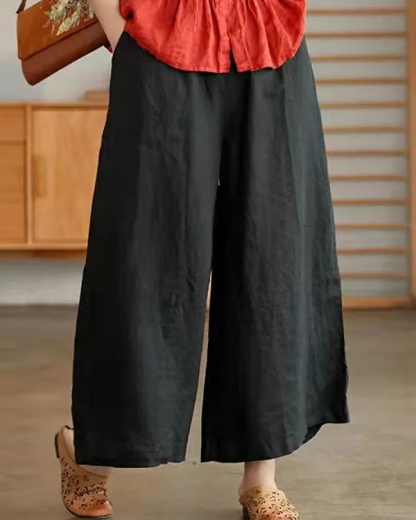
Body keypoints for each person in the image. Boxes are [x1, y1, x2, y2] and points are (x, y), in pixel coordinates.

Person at [54, 0, 349, 518]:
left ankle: (261, 477)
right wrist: (122, 34)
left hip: (268, 42)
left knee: (272, 256)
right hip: (158, 39)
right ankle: (90, 453)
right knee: (143, 255)